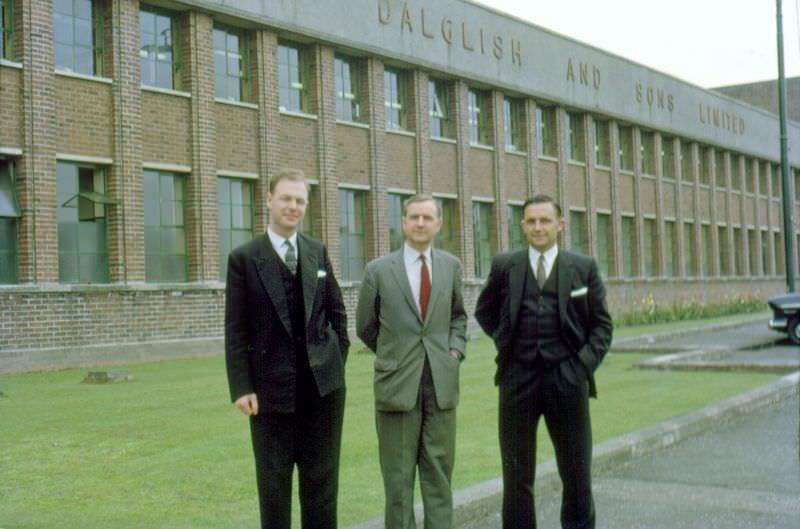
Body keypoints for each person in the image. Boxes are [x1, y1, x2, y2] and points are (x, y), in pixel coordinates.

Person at [475, 194, 613, 529]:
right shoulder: (505, 265)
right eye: (531, 221)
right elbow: (484, 311)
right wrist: (507, 342)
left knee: (577, 472)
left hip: (567, 379)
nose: (538, 228)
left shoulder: (582, 267)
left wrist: (579, 367)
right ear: (523, 226)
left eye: (545, 221)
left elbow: (602, 326)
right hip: (517, 379)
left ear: (560, 225)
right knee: (517, 476)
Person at [224, 168, 349, 529]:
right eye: (286, 198)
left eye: (299, 200)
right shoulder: (244, 259)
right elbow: (235, 330)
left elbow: (337, 317)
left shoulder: (317, 252)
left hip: (322, 394)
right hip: (268, 394)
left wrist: (332, 366)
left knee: (322, 489)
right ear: (269, 200)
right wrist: (241, 387)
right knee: (274, 490)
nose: (293, 207)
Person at [356, 194, 467, 529]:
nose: (420, 223)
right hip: (397, 386)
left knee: (439, 479)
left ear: (438, 224)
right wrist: (394, 356)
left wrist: (453, 352)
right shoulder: (377, 270)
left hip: (441, 385)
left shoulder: (451, 266)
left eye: (427, 217)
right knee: (399, 484)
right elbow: (365, 326)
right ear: (403, 222)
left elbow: (459, 318)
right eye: (414, 217)